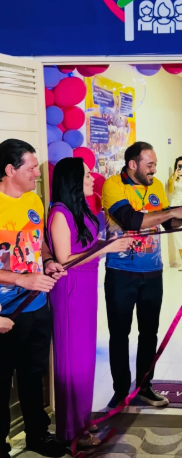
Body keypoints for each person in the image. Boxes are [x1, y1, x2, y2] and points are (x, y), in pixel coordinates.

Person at [102, 142, 182, 409]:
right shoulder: (113, 186)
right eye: (150, 165)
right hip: (121, 273)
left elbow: (168, 223)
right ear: (132, 164)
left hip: (153, 273)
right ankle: (121, 392)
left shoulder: (156, 186)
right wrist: (172, 211)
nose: (154, 170)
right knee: (119, 335)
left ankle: (145, 387)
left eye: (155, 164)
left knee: (149, 333)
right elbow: (131, 220)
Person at [47, 157, 134, 447]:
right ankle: (70, 431)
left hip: (86, 287)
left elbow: (90, 246)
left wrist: (113, 242)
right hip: (70, 288)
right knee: (72, 360)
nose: (92, 179)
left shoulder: (82, 209)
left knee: (84, 358)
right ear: (72, 180)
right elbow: (64, 260)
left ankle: (82, 422)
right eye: (85, 175)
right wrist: (106, 248)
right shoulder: (60, 213)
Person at [0, 139, 66, 458]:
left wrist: (48, 260)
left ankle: (37, 436)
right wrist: (20, 279)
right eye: (31, 168)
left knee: (33, 374)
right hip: (5, 313)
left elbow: (38, 244)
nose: (37, 174)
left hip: (37, 306)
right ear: (10, 170)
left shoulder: (34, 201)